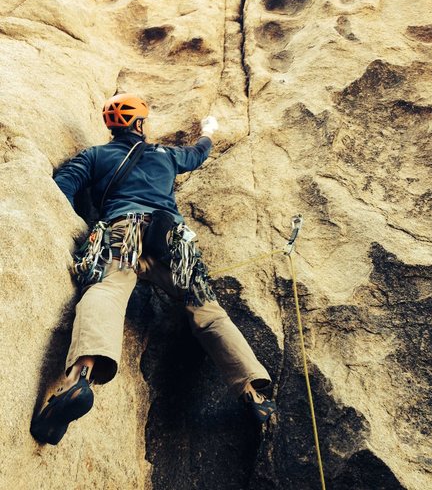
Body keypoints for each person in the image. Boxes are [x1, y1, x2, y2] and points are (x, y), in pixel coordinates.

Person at [30, 93, 276, 445]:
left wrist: (84, 223)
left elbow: (61, 189)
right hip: (170, 239)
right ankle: (253, 390)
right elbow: (197, 154)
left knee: (107, 291)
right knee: (207, 310)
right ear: (141, 124)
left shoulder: (95, 156)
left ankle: (79, 377)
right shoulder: (166, 155)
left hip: (122, 231)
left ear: (111, 127)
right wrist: (208, 130)